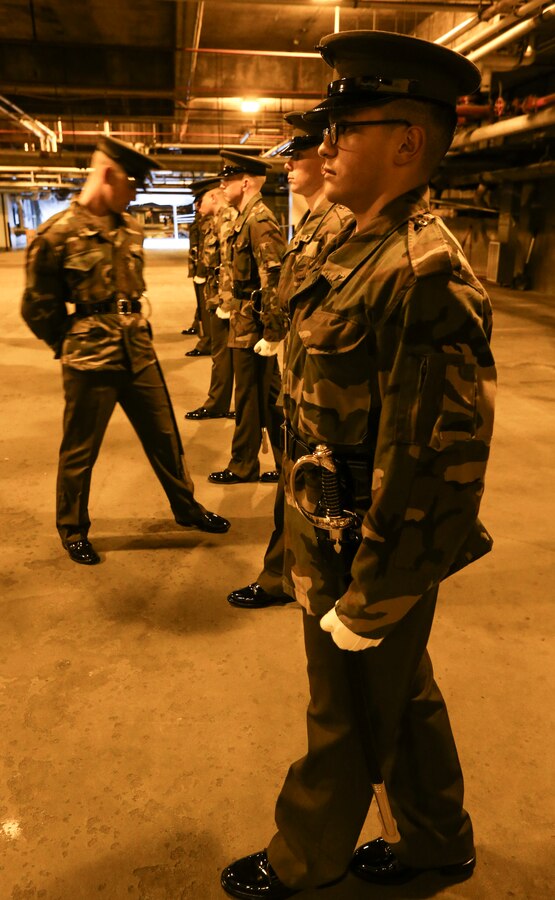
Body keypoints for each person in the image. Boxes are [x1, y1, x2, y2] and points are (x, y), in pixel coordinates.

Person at [221, 30, 496, 899]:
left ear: (407, 143)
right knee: (397, 693)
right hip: (321, 526)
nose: (325, 144)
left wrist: (376, 593)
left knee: (339, 712)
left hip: (369, 544)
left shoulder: (423, 277)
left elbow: (433, 465)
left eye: (347, 126)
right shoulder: (338, 236)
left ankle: (305, 857)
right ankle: (436, 841)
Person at [21, 136, 230, 566]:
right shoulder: (56, 234)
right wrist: (67, 340)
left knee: (166, 438)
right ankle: (73, 529)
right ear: (109, 174)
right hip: (89, 361)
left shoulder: (130, 227)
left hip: (138, 351)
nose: (137, 193)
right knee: (81, 449)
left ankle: (186, 510)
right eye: (133, 183)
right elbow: (37, 306)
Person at [227, 112, 353, 609]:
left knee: (305, 488)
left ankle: (290, 576)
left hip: (319, 384)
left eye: (299, 155)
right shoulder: (314, 219)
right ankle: (285, 573)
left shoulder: (340, 221)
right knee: (292, 483)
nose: (294, 166)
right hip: (299, 374)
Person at [208, 150, 287, 485]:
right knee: (267, 397)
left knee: (249, 397)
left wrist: (272, 332)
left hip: (253, 324)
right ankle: (288, 465)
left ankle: (243, 464)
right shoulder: (245, 218)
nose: (223, 185)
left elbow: (274, 276)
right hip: (244, 319)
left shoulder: (259, 220)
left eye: (228, 179)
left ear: (246, 182)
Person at [185, 180, 237, 420]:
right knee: (222, 354)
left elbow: (228, 264)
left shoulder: (227, 219)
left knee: (226, 355)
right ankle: (220, 402)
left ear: (213, 197)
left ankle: (220, 403)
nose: (198, 205)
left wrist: (224, 302)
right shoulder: (217, 220)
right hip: (218, 296)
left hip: (226, 299)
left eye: (202, 199)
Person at [183, 186, 212, 357]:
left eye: (199, 201)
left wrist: (201, 271)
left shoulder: (209, 219)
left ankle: (206, 342)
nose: (196, 206)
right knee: (201, 307)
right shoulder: (200, 217)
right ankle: (198, 327)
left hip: (205, 270)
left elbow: (206, 246)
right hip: (198, 267)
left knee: (206, 307)